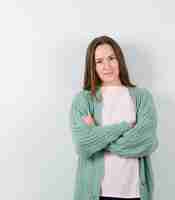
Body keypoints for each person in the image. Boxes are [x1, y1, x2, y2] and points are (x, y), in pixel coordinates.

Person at [69, 35, 159, 200]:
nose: (107, 66)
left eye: (111, 58)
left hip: (135, 193)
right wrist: (124, 127)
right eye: (99, 61)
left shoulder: (142, 97)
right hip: (96, 194)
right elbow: (83, 145)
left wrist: (97, 135)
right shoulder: (83, 100)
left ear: (120, 60)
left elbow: (147, 142)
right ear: (92, 66)